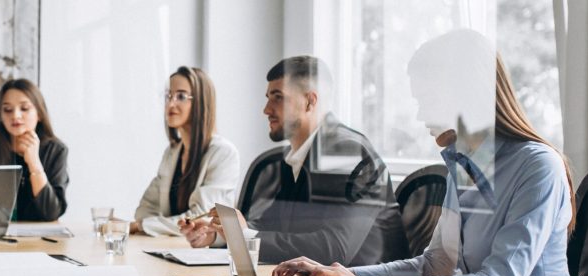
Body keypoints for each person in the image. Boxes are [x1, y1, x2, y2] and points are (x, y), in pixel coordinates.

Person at [270, 30, 584, 276]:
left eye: (427, 100)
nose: (421, 116)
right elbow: (433, 265)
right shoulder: (464, 167)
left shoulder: (538, 167)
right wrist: (338, 274)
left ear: (464, 95)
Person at [181, 56, 393, 265]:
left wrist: (244, 236)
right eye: (268, 97)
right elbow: (273, 225)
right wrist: (220, 234)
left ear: (310, 101)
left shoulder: (348, 153)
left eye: (278, 97)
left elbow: (334, 249)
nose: (266, 109)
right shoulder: (298, 154)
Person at [132, 66, 240, 236]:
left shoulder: (223, 153)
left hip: (203, 253)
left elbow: (201, 218)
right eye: (168, 96)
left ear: (201, 102)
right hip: (171, 247)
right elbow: (145, 210)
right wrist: (145, 224)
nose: (171, 103)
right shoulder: (172, 152)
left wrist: (142, 226)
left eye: (181, 96)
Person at [0, 79, 69, 221]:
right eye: (7, 110)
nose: (15, 115)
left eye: (24, 108)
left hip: (40, 238)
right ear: (0, 115)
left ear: (39, 113)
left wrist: (35, 164)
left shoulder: (56, 150)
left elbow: (51, 213)